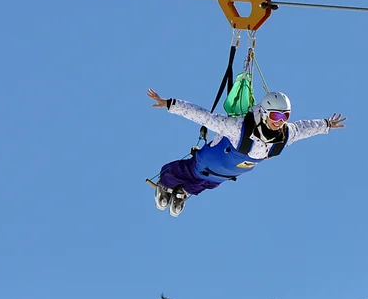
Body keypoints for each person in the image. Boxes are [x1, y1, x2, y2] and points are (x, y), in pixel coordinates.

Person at [147, 88, 346, 216]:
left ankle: (184, 192)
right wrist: (170, 104)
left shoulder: (285, 135)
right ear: (265, 113)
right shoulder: (239, 128)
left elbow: (304, 128)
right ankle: (165, 184)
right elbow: (204, 117)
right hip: (208, 161)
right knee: (186, 171)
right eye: (276, 116)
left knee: (207, 184)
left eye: (285, 117)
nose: (280, 122)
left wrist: (326, 124)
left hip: (224, 174)